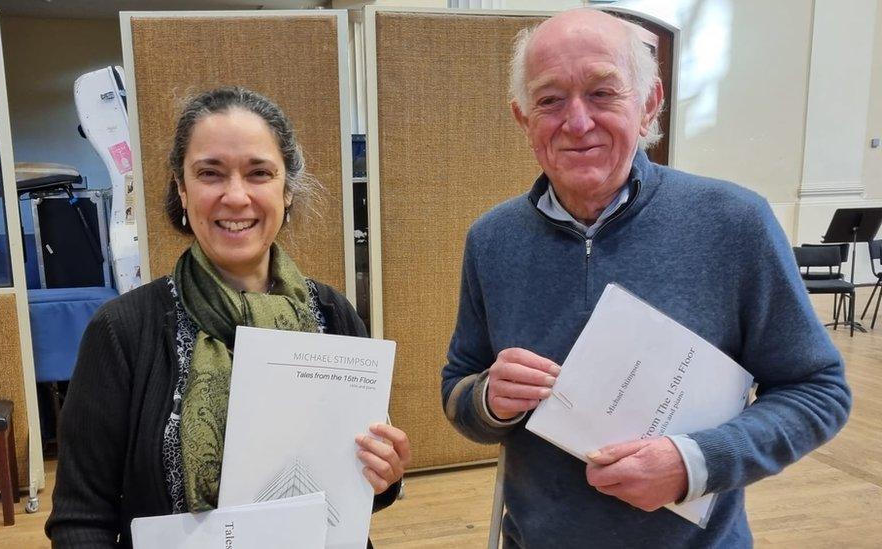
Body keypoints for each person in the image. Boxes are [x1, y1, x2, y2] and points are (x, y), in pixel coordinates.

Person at [441, 9, 851, 548]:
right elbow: (458, 389)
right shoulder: (492, 240)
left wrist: (694, 463)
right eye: (550, 100)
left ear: (649, 103)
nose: (578, 121)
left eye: (603, 93)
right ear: (523, 118)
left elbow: (819, 391)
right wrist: (490, 399)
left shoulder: (733, 223)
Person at [46, 87, 410, 547]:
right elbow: (80, 522)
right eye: (210, 173)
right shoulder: (123, 332)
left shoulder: (333, 315)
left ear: (287, 189)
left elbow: (358, 495)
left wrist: (385, 474)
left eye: (259, 173)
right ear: (182, 188)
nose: (236, 197)